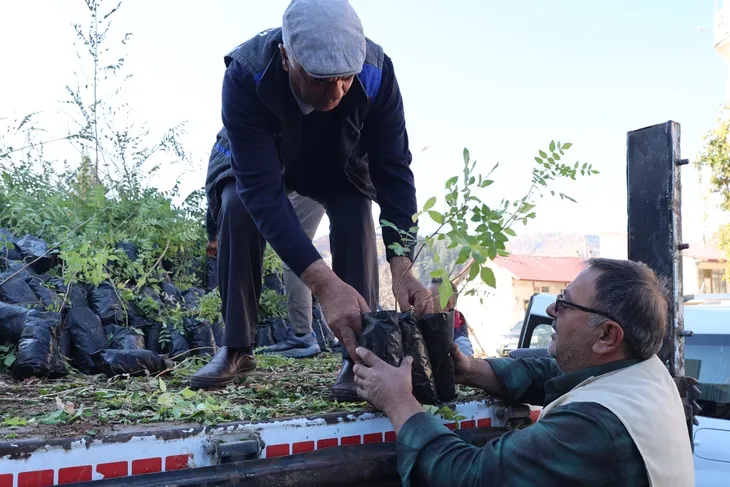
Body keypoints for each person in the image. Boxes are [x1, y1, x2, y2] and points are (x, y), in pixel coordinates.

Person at [191, 0, 433, 401]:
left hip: (336, 158)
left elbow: (393, 168)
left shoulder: (375, 72)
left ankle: (357, 354)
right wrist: (323, 284)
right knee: (237, 204)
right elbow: (262, 192)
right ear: (287, 58)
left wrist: (402, 263)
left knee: (354, 207)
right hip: (265, 156)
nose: (336, 91)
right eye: (321, 79)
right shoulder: (246, 74)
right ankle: (237, 347)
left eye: (344, 79)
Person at [353, 258, 695, 486]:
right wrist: (472, 370)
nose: (550, 309)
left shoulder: (591, 427)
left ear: (607, 335)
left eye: (565, 303)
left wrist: (399, 402)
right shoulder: (646, 372)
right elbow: (551, 373)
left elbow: (469, 476)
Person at [201, 129, 328, 363]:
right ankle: (242, 344)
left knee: (295, 249)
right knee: (291, 242)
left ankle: (303, 336)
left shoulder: (234, 137)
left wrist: (212, 235)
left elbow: (216, 190)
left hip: (309, 166)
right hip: (288, 168)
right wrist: (216, 233)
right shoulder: (234, 139)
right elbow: (220, 186)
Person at [427, 277, 474, 357]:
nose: (423, 302)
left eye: (430, 299)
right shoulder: (429, 323)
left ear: (446, 305)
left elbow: (467, 361)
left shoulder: (459, 341)